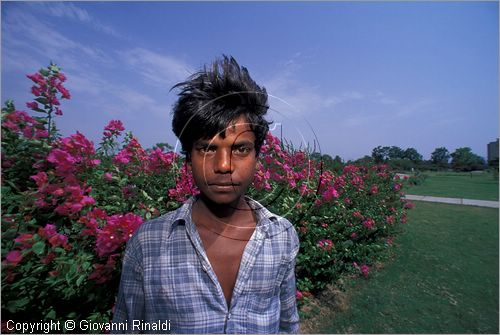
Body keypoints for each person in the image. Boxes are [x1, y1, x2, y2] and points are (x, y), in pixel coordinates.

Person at [112, 55, 300, 333]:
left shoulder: (282, 236)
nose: (224, 166)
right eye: (207, 148)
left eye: (240, 149)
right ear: (188, 157)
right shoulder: (148, 243)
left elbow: (287, 325)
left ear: (257, 157)